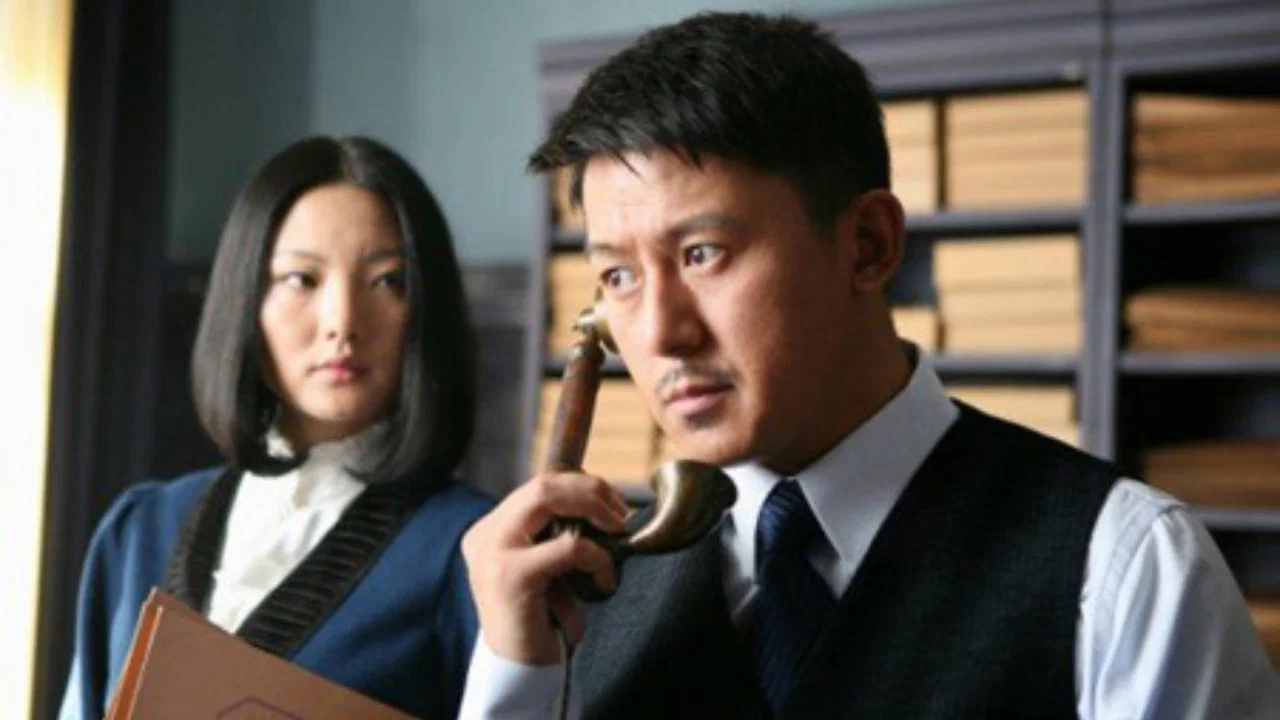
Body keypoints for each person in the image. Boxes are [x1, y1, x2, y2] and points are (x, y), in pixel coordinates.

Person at [457, 11, 1279, 720]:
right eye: (619, 277)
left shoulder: (1126, 570)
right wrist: (515, 673)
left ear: (869, 245)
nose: (661, 333)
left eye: (702, 254)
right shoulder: (578, 598)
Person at [58, 136, 493, 720]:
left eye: (387, 280)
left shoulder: (473, 551)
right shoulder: (139, 532)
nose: (342, 322)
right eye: (301, 279)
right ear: (245, 299)